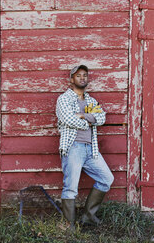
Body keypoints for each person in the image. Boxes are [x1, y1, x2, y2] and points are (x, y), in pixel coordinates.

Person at [56, 65, 114, 231]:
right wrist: (90, 120)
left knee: (106, 179)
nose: (82, 78)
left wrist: (82, 115)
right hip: (73, 148)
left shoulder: (90, 100)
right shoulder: (64, 99)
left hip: (91, 149)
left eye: (85, 75)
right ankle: (69, 225)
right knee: (71, 187)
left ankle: (88, 217)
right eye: (78, 75)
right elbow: (68, 119)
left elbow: (102, 118)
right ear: (71, 79)